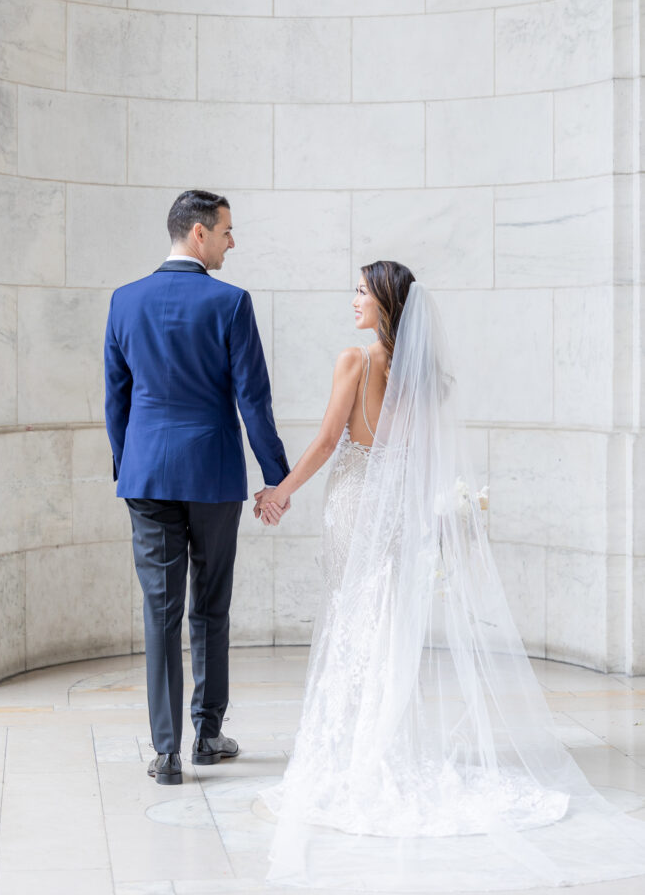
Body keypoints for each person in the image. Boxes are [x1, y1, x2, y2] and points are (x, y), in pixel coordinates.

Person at [257, 261, 645, 891]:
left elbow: (330, 442)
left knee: (354, 619)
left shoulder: (354, 362)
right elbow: (421, 461)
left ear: (385, 304)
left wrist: (282, 491)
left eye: (361, 292)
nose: (352, 301)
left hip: (354, 505)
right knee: (385, 623)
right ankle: (379, 741)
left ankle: (353, 750)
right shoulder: (422, 381)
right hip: (398, 516)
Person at [104, 190, 289, 785]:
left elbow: (117, 399)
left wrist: (125, 463)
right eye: (228, 231)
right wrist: (276, 477)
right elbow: (253, 401)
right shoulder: (231, 303)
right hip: (212, 474)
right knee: (210, 605)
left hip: (148, 474)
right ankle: (208, 734)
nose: (234, 242)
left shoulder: (124, 301)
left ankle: (167, 753)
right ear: (198, 234)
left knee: (160, 612)